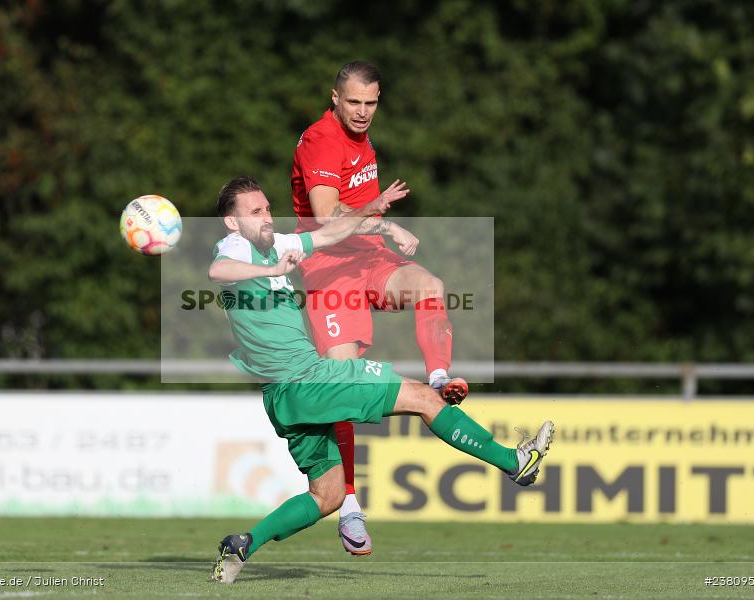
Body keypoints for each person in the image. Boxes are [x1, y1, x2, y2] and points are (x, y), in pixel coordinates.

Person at [208, 176, 554, 584]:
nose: (266, 217)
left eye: (267, 208)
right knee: (426, 398)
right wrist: (269, 267)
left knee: (328, 496)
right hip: (311, 378)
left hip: (284, 395)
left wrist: (380, 217)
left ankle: (243, 544)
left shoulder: (278, 243)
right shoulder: (235, 247)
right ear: (232, 222)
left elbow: (330, 232)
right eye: (255, 212)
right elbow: (218, 269)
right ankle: (515, 463)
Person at [290, 60, 468, 553]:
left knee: (429, 286)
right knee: (341, 385)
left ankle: (437, 379)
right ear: (334, 97)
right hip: (329, 271)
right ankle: (347, 505)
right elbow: (328, 217)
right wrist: (385, 222)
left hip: (369, 259)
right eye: (354, 102)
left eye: (371, 103)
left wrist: (379, 229)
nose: (364, 112)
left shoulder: (362, 139)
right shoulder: (321, 141)